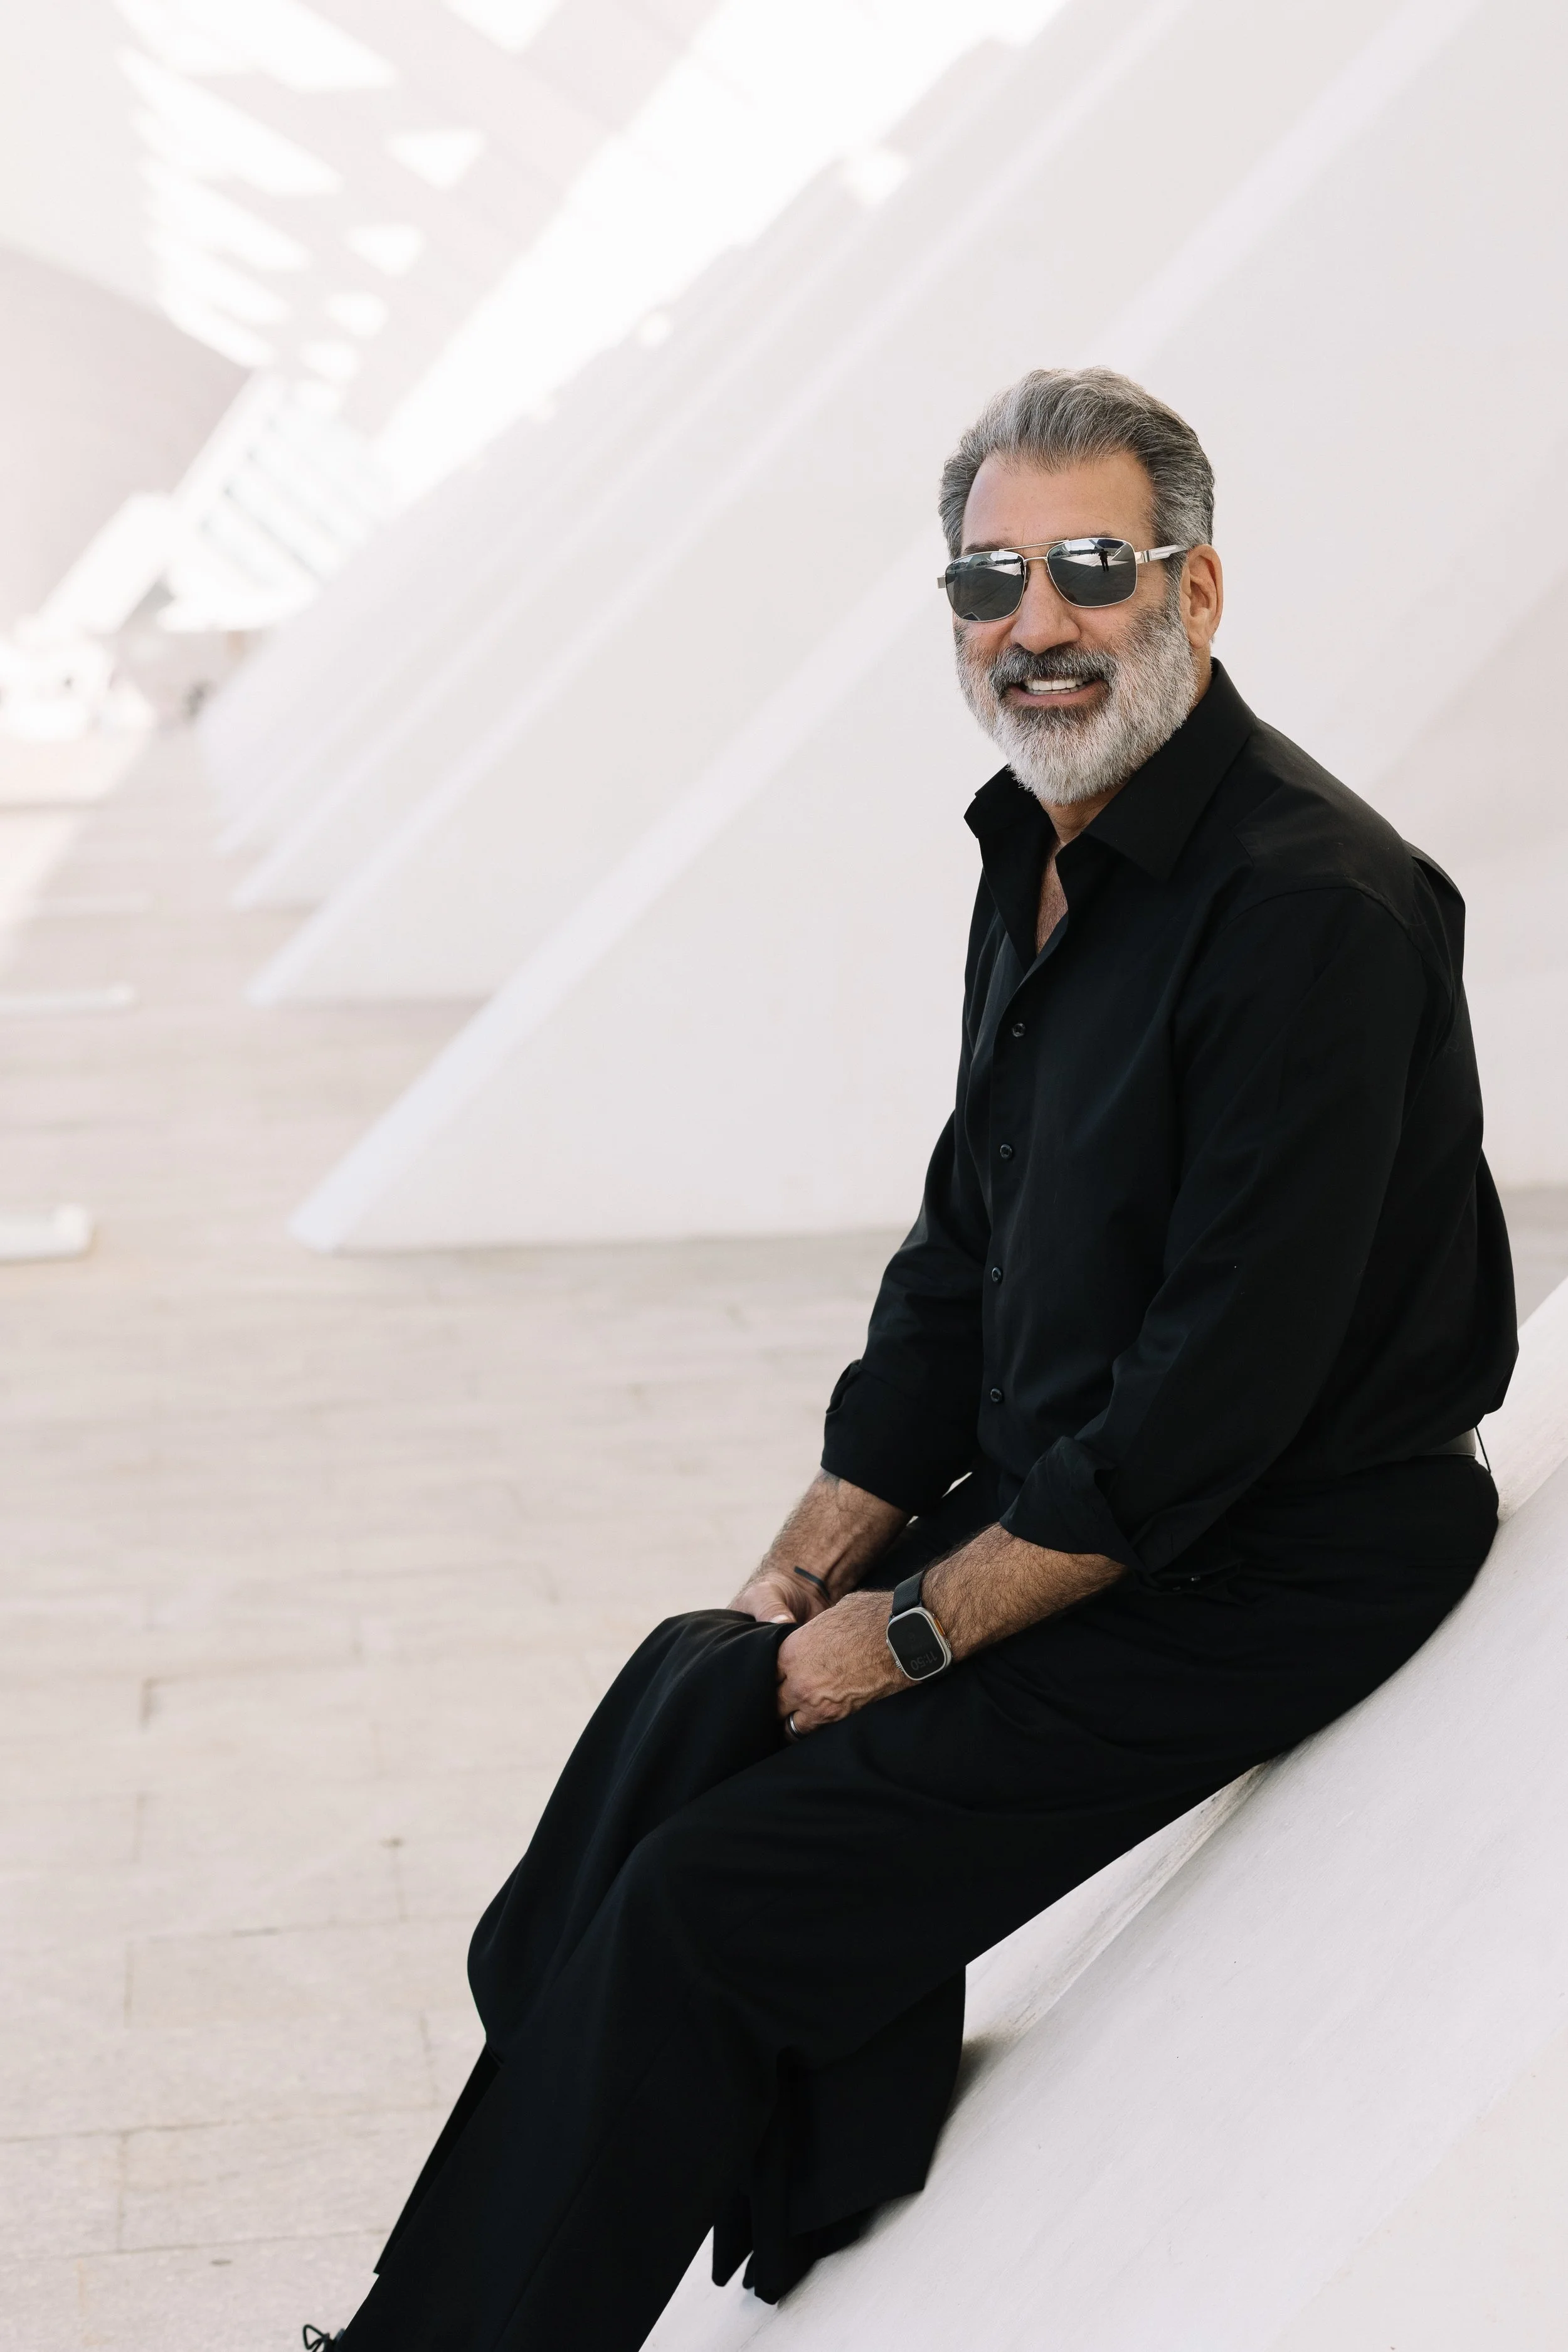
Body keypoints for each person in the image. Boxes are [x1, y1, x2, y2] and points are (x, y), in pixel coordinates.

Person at [326, 368, 1515, 2352]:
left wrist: (899, 1634)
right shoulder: (1037, 849)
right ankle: (801, 2163)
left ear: (1195, 588)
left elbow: (1209, 1401)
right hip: (1100, 1502)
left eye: (1089, 567)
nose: (1032, 621)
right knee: (691, 1701)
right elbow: (961, 1257)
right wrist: (803, 1568)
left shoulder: (1313, 909)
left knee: (707, 1906)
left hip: (1280, 1550)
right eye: (987, 577)